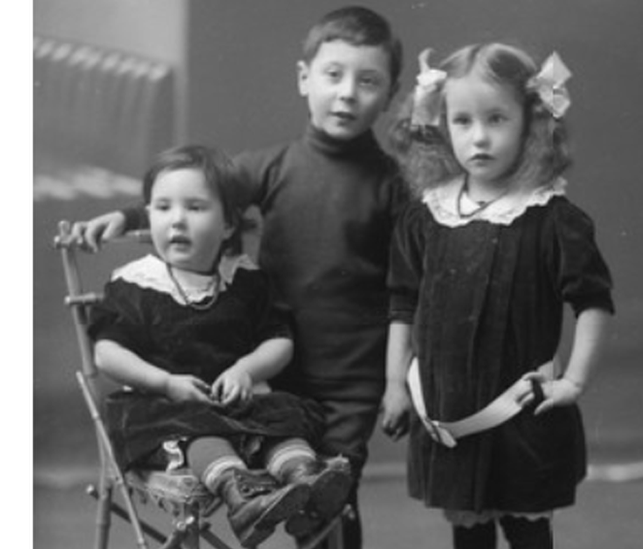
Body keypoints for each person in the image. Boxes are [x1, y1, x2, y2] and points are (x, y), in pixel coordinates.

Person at [71, 7, 407, 548]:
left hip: (349, 376)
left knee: (330, 495)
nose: (346, 93)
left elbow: (405, 292)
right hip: (270, 370)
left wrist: (397, 382)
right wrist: (129, 218)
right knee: (282, 478)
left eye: (367, 81)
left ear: (391, 93)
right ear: (304, 79)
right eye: (333, 75)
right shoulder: (274, 166)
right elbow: (198, 195)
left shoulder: (392, 186)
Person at [381, 43, 615, 549]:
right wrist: (395, 386)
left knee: (529, 531)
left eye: (496, 119)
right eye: (462, 121)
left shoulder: (550, 218)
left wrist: (574, 381)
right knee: (469, 533)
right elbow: (403, 304)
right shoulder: (427, 215)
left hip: (520, 421)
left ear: (529, 124)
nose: (479, 137)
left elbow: (593, 301)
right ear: (442, 124)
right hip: (450, 412)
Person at [87, 145, 353, 548]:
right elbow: (107, 353)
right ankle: (242, 497)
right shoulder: (136, 283)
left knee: (283, 417)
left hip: (237, 402)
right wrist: (165, 382)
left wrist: (247, 369)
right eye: (162, 208)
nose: (176, 220)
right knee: (198, 430)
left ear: (228, 224)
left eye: (195, 208)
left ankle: (305, 482)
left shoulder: (243, 280)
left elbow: (277, 340)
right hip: (166, 408)